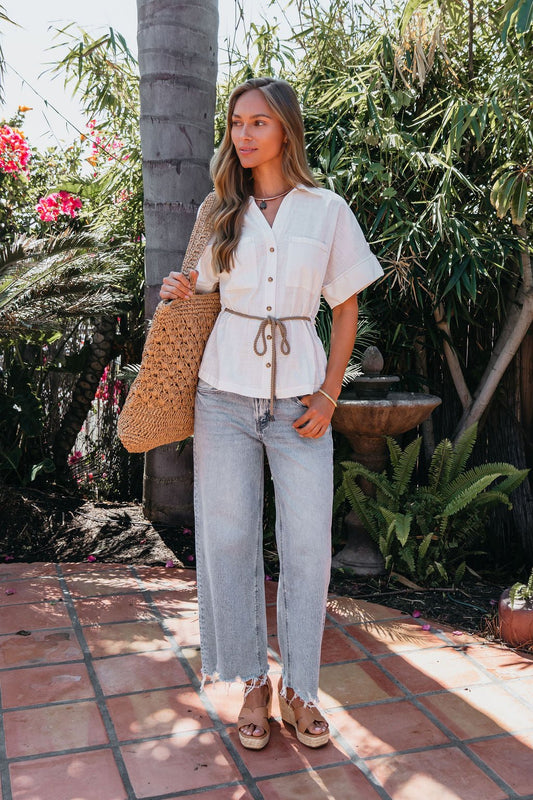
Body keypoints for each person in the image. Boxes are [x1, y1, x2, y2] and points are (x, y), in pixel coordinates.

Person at [160, 77, 383, 750]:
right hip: (223, 396)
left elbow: (344, 309)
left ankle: (299, 689)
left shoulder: (327, 210)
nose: (244, 134)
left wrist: (329, 395)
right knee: (228, 543)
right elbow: (198, 288)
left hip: (299, 406)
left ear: (286, 129)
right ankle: (253, 683)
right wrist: (180, 285)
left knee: (308, 549)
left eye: (259, 122)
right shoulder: (220, 210)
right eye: (236, 123)